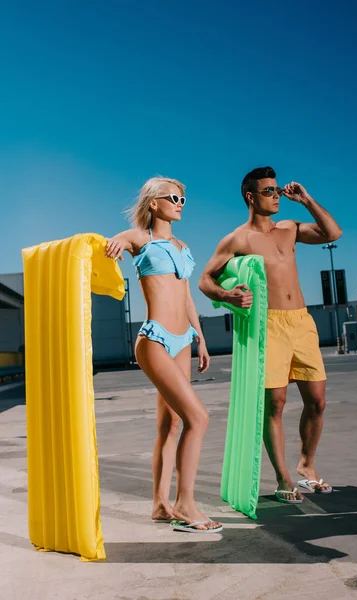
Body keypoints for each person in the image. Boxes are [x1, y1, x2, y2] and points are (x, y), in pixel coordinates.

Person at [199, 166, 342, 504]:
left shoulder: (289, 229)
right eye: (269, 191)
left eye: (278, 191)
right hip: (269, 324)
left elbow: (332, 233)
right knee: (275, 404)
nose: (277, 196)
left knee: (318, 401)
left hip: (301, 323)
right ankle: (283, 478)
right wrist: (227, 296)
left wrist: (306, 200)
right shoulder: (237, 239)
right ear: (251, 196)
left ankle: (307, 466)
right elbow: (206, 279)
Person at [106, 176, 222, 532]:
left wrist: (200, 339)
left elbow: (187, 297)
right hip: (155, 340)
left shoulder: (184, 246)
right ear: (153, 203)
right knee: (198, 419)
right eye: (173, 197)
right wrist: (115, 243)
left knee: (171, 423)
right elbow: (122, 239)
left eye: (184, 199)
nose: (180, 203)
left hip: (183, 339)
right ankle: (185, 505)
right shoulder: (142, 238)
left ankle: (160, 504)